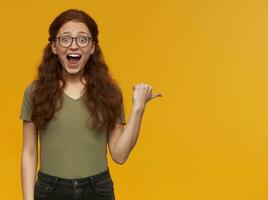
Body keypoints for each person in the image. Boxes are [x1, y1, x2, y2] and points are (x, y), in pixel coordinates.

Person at [19, 9, 162, 200]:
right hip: (50, 190)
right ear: (54, 46)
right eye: (65, 39)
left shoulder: (109, 92)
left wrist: (138, 109)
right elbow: (29, 153)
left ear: (93, 47)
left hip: (97, 190)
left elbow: (119, 155)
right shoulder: (35, 91)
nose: (74, 46)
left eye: (83, 39)